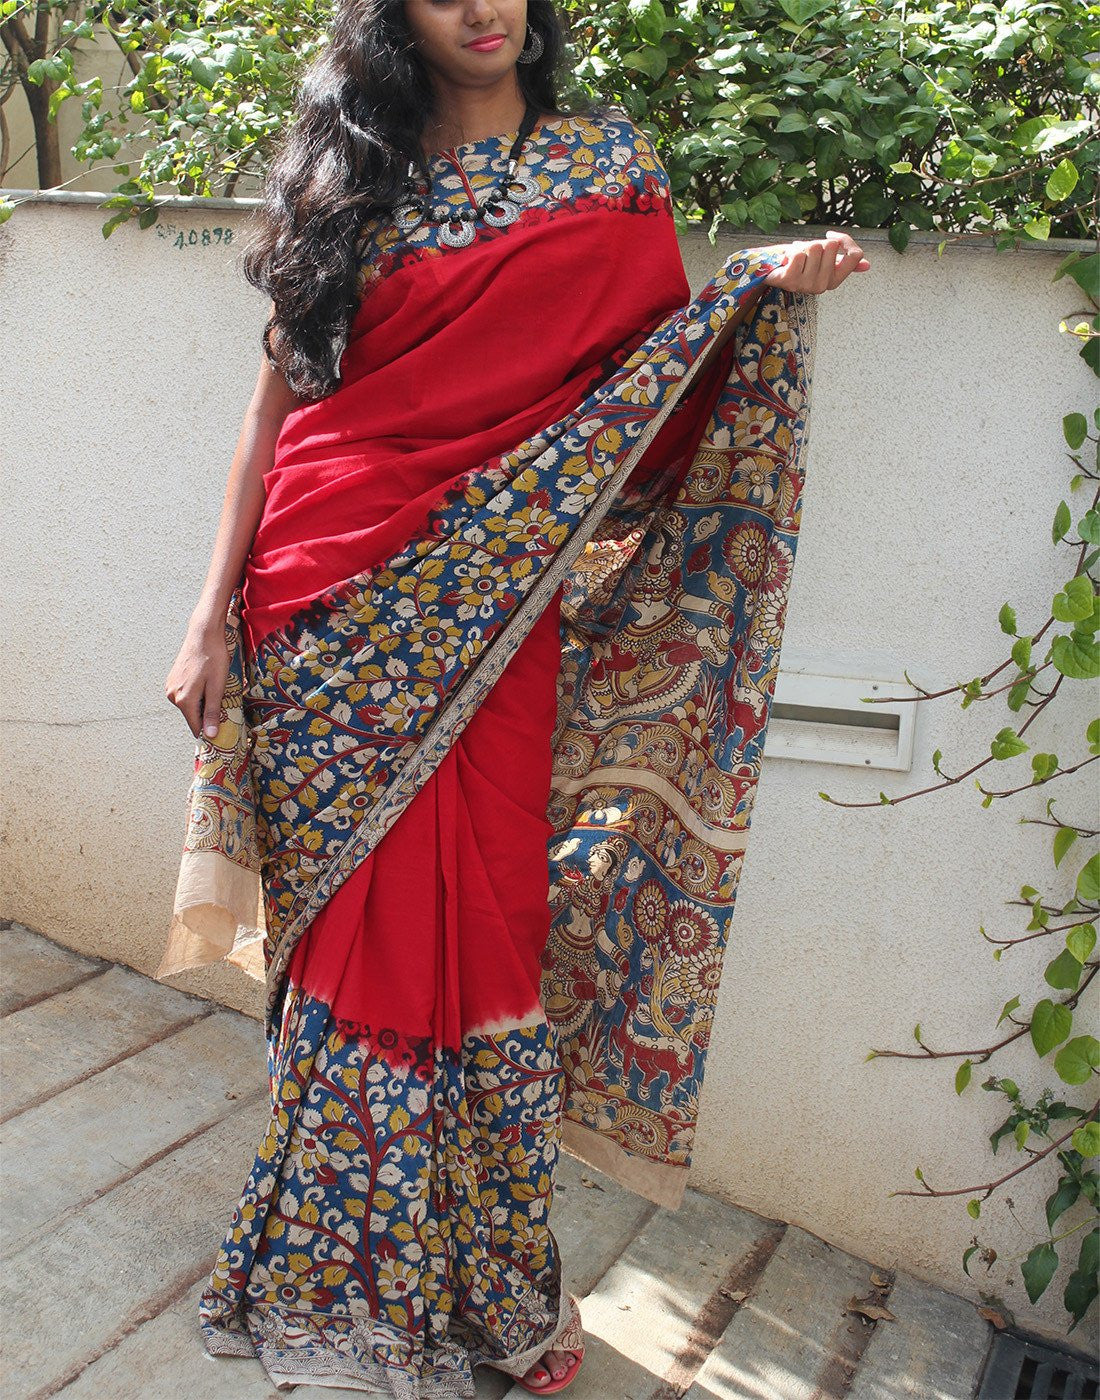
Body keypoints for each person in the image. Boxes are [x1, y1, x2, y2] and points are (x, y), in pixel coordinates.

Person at [158, 0, 869, 1392]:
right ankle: (331, 1267)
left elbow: (648, 413)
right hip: (320, 606)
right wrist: (208, 620)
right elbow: (277, 414)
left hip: (496, 614)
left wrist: (752, 292)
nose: (482, 5)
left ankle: (490, 1284)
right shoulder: (347, 184)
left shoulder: (610, 176)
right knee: (350, 940)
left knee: (486, 932)